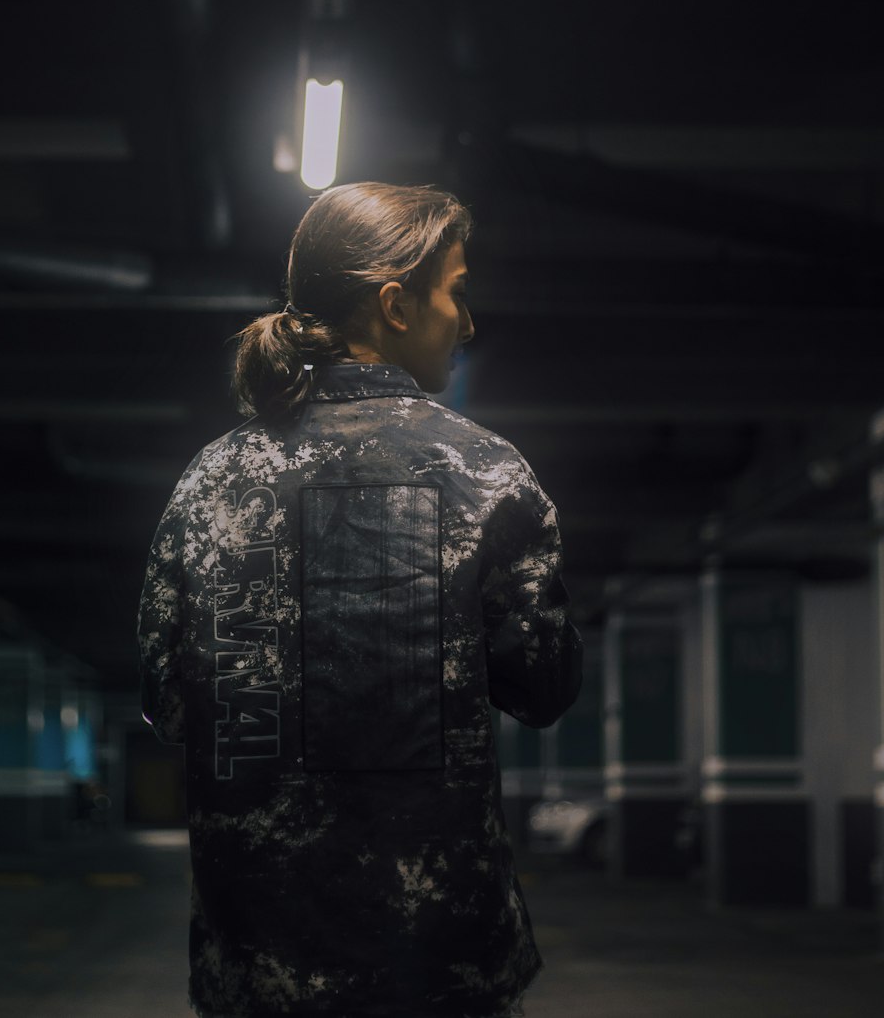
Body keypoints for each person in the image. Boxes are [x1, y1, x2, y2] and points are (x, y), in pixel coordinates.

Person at [138, 181, 583, 1018]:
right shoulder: (483, 474)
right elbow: (545, 685)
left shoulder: (210, 483)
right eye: (457, 290)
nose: (471, 320)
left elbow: (168, 699)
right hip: (437, 968)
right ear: (396, 304)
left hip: (257, 965)